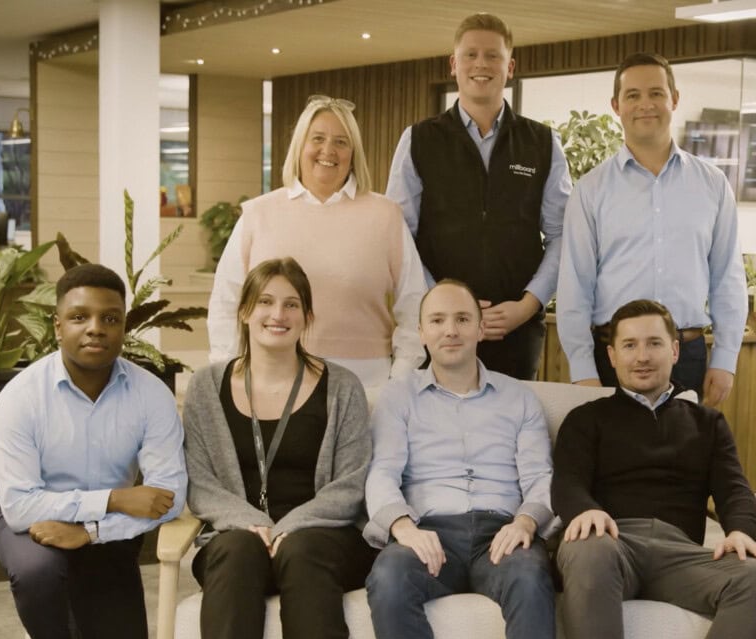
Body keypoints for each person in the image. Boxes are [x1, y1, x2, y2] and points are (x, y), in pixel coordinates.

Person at [185, 257, 376, 639]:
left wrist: (289, 526)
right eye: (266, 302)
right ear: (244, 311)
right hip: (238, 534)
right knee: (235, 551)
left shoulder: (342, 387)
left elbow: (352, 483)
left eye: (292, 304)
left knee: (303, 552)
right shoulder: (205, 388)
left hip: (323, 537)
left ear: (307, 317)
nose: (278, 314)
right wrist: (254, 525)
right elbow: (199, 483)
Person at [552, 299, 756, 639]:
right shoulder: (587, 418)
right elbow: (566, 482)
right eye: (629, 345)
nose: (641, 356)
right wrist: (586, 511)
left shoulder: (708, 423)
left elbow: (734, 489)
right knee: (587, 552)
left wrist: (741, 531)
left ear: (674, 350)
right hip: (610, 542)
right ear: (612, 356)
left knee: (753, 578)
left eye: (653, 344)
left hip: (678, 553)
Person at [0, 263, 187, 639]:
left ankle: (59, 618)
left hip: (105, 534)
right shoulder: (21, 397)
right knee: (38, 570)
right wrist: (115, 498)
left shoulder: (150, 394)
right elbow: (20, 507)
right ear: (58, 325)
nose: (95, 328)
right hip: (33, 523)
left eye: (109, 318)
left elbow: (169, 497)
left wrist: (92, 531)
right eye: (79, 317)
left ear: (124, 326)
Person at [364, 279, 556, 639]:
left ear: (479, 330)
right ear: (422, 332)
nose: (450, 330)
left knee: (531, 578)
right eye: (437, 320)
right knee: (388, 577)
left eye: (462, 319)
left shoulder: (518, 397)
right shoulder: (398, 397)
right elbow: (382, 473)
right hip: (429, 532)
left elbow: (541, 478)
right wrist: (404, 528)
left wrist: (526, 522)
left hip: (502, 530)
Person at [386, 13, 572, 380]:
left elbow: (562, 235)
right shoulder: (419, 140)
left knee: (514, 418)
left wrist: (527, 305)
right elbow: (398, 236)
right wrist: (442, 304)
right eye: (470, 55)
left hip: (514, 330)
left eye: (492, 55)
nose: (480, 64)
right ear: (454, 64)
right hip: (439, 329)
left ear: (510, 67)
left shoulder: (542, 143)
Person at [556, 52, 748, 407]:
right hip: (613, 357)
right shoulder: (591, 190)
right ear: (616, 106)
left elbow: (727, 279)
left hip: (686, 357)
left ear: (674, 99)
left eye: (656, 93)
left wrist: (725, 359)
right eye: (633, 95)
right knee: (614, 446)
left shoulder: (712, 184)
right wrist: (582, 369)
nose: (645, 104)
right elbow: (575, 286)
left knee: (685, 446)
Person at [207, 94, 427, 391]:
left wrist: (399, 381)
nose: (328, 150)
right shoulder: (257, 214)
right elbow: (226, 302)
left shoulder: (386, 215)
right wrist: (229, 375)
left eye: (341, 141)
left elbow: (415, 305)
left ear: (353, 152)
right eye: (318, 138)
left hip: (367, 384)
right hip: (270, 381)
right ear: (300, 145)